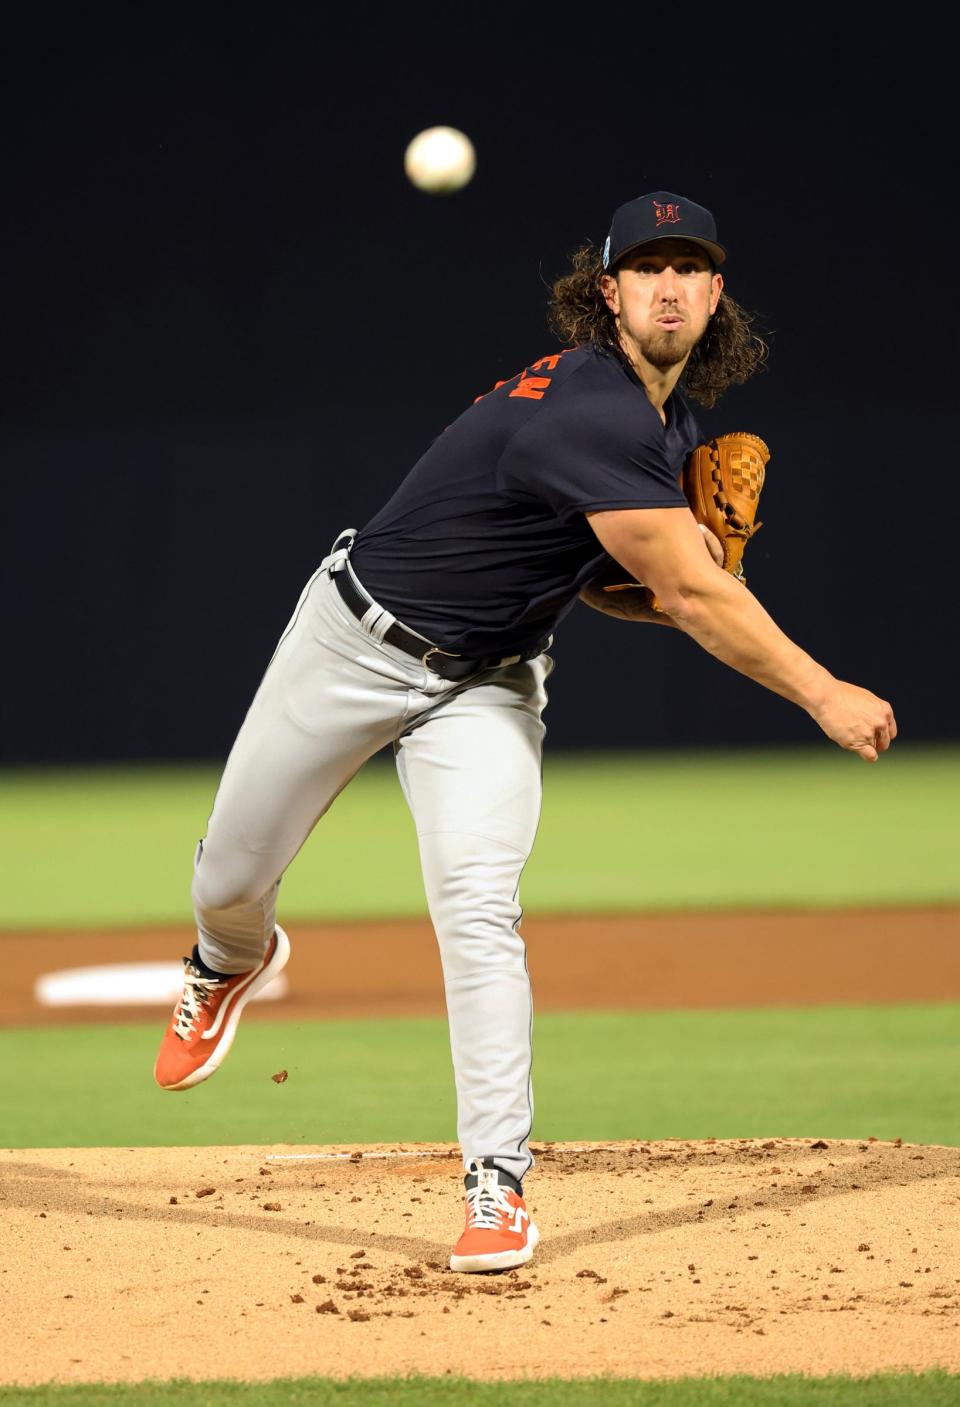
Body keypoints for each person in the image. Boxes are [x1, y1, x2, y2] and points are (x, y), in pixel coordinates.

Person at [153, 190, 896, 1273]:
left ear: (718, 291)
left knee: (479, 906)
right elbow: (689, 600)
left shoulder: (666, 429)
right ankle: (229, 958)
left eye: (691, 267)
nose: (671, 285)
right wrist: (821, 687)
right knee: (228, 873)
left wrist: (683, 568)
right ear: (609, 293)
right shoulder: (592, 409)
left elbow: (609, 586)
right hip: (352, 643)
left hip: (489, 684)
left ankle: (495, 1187)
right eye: (648, 268)